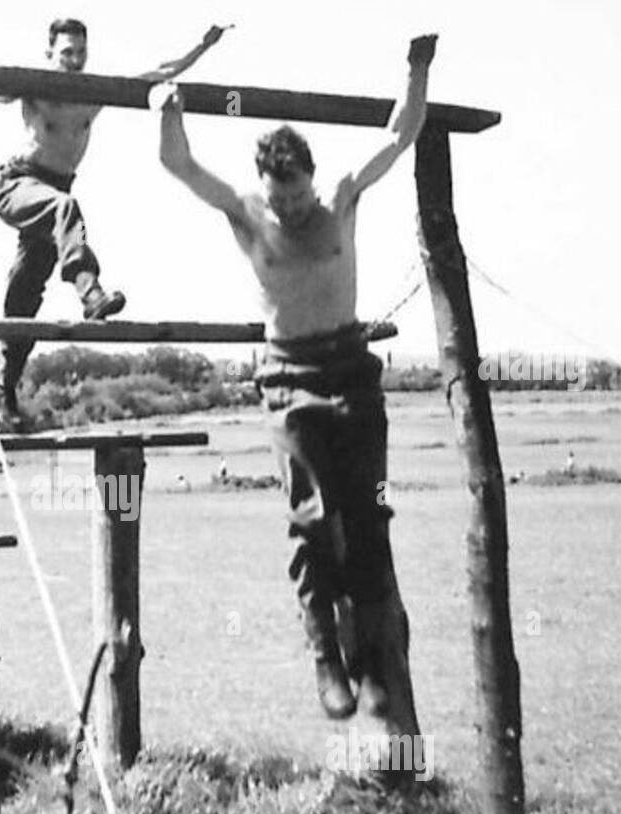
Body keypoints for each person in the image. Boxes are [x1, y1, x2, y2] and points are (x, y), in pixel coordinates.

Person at [155, 36, 438, 730]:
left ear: (314, 179)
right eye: (280, 198)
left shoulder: (341, 199)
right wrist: (168, 107)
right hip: (287, 379)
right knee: (313, 523)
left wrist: (417, 66)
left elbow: (401, 134)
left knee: (369, 521)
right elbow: (178, 163)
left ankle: (376, 665)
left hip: (352, 371)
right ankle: (326, 658)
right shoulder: (248, 213)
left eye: (298, 194)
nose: (289, 208)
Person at [0, 18, 231, 422]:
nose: (75, 61)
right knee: (67, 209)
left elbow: (160, 71)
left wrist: (203, 46)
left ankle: (4, 380)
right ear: (49, 54)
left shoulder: (92, 93)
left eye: (81, 53)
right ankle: (89, 291)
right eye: (66, 54)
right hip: (18, 185)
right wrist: (15, 85)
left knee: (26, 291)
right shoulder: (37, 84)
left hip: (54, 198)